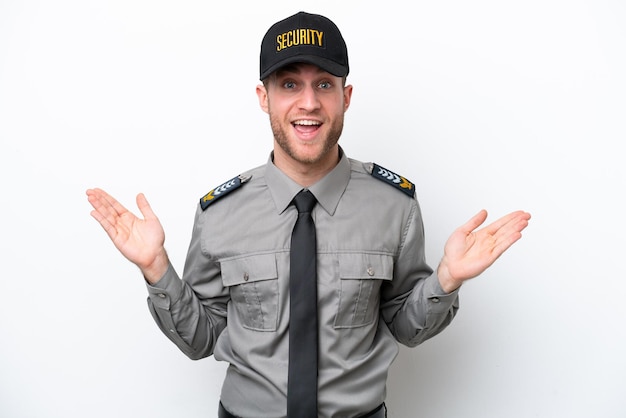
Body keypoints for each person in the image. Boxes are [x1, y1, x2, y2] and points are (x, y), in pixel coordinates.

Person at [86, 11, 531, 418]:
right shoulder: (220, 212)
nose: (309, 104)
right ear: (263, 97)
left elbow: (406, 329)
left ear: (346, 96)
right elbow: (202, 339)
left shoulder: (395, 205)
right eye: (289, 84)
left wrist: (447, 280)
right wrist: (156, 270)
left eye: (324, 84)